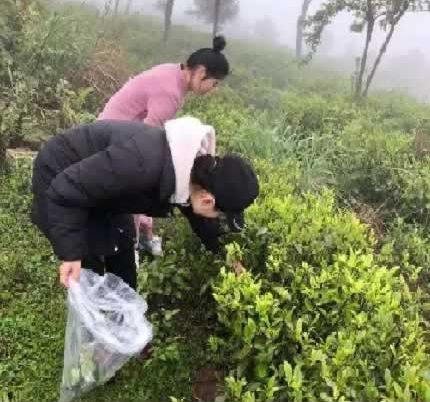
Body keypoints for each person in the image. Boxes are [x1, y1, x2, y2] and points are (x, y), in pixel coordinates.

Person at [31, 117, 259, 289]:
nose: (216, 219)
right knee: (90, 263)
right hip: (61, 172)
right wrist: (71, 254)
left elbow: (200, 218)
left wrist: (228, 257)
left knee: (122, 248)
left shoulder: (193, 172)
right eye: (220, 215)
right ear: (208, 200)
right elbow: (66, 189)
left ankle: (123, 325)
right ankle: (96, 331)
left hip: (103, 184)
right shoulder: (142, 165)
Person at [98, 35, 230, 257]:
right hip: (110, 140)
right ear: (201, 72)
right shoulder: (170, 93)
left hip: (112, 130)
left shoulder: (172, 73)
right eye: (214, 83)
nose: (213, 89)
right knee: (140, 181)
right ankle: (129, 246)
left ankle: (142, 236)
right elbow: (145, 145)